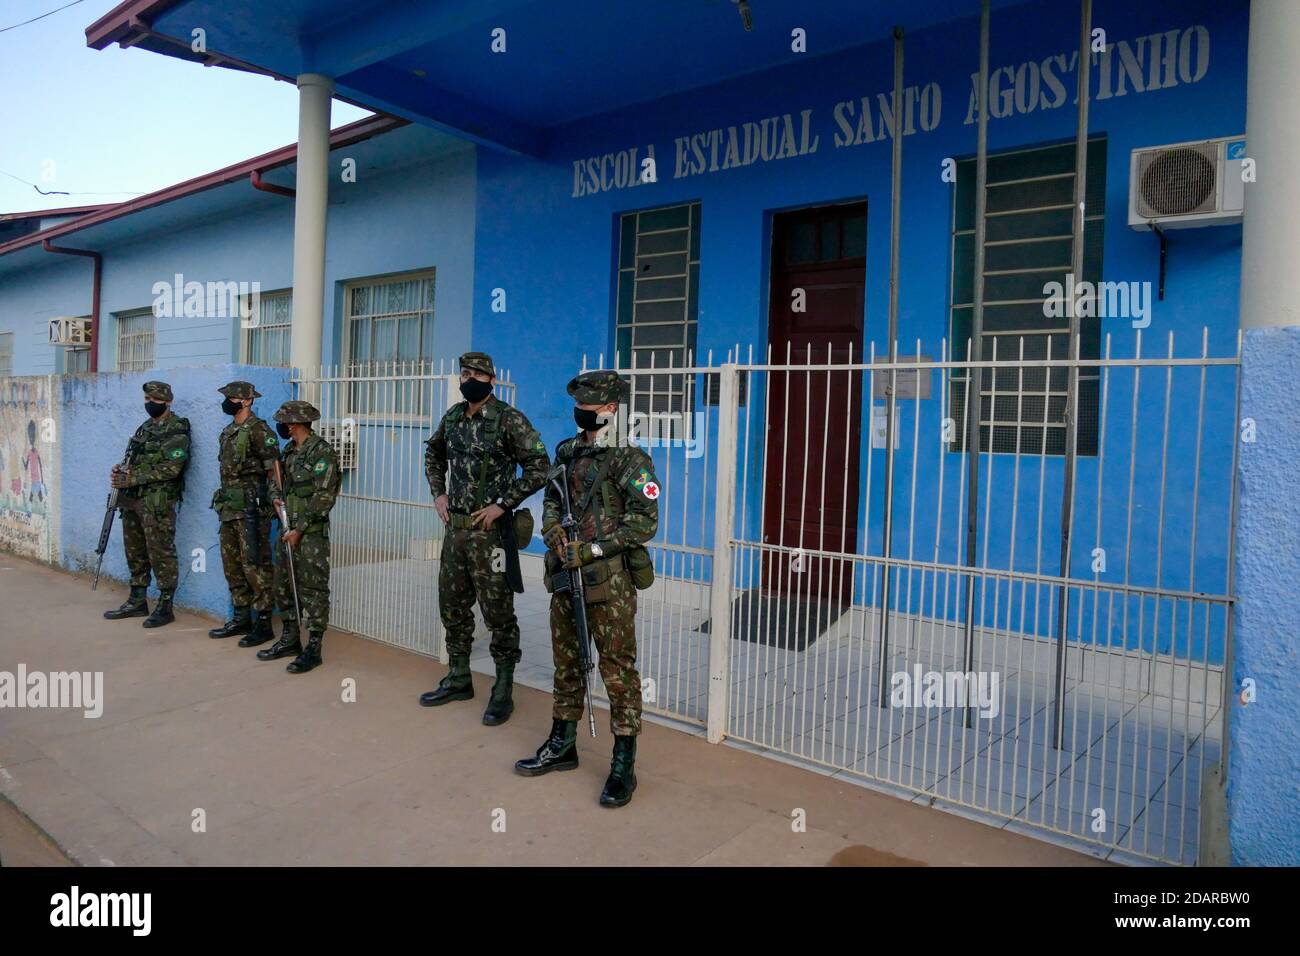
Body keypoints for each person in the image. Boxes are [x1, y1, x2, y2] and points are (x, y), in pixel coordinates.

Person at [514, 370, 659, 808]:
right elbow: (553, 499)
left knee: (617, 669)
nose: (581, 411)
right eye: (580, 404)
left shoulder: (631, 459)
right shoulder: (567, 451)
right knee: (568, 661)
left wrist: (593, 548)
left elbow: (645, 521)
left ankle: (623, 763)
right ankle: (562, 744)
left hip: (609, 580)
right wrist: (555, 534)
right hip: (566, 574)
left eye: (590, 405)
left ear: (611, 409)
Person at [420, 352, 549, 725]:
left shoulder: (508, 419)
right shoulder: (455, 417)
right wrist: (438, 493)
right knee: (453, 607)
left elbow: (540, 466)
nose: (469, 378)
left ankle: (503, 687)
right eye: (464, 373)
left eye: (477, 373)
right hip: (456, 531)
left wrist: (503, 505)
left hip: (491, 535)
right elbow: (433, 452)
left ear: (491, 379)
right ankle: (459, 676)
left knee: (498, 613)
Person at [256, 400, 339, 674]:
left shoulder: (322, 453)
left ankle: (313, 647)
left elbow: (323, 497)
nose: (281, 426)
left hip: (310, 536)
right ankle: (291, 639)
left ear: (293, 424)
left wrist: (299, 529)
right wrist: (276, 500)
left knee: (313, 590)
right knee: (283, 586)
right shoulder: (288, 451)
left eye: (283, 421)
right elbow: (275, 484)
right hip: (286, 530)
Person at [103, 381, 191, 628]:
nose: (150, 404)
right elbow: (134, 459)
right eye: (147, 399)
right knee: (135, 550)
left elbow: (172, 469)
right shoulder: (144, 429)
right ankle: (137, 599)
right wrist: (121, 471)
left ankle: (165, 605)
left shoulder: (177, 429)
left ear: (167, 401)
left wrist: (133, 476)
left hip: (157, 503)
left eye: (155, 400)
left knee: (160, 551)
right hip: (133, 499)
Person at [208, 381, 281, 646]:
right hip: (229, 507)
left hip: (251, 509)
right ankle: (241, 617)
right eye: (227, 396)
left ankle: (262, 622)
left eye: (232, 397)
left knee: (254, 564)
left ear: (247, 400)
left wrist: (275, 501)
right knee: (233, 563)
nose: (228, 401)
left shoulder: (260, 430)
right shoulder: (228, 431)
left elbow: (273, 469)